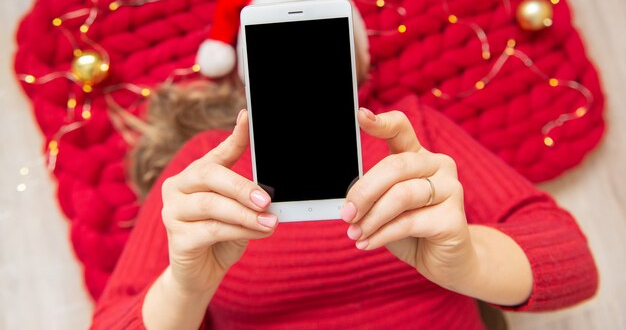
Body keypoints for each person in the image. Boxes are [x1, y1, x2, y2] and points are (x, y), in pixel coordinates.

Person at [90, 48, 598, 329]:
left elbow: (574, 265)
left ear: (354, 62)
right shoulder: (206, 166)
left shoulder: (411, 135)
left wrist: (466, 259)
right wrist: (186, 288)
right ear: (247, 76)